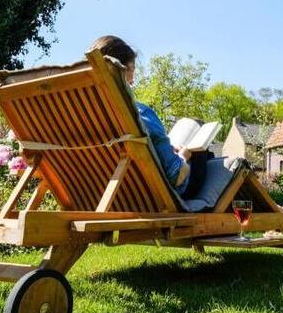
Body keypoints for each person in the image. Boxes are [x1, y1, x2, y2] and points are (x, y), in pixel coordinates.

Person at [89, 35, 209, 198]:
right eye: (132, 70)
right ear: (120, 71)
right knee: (202, 153)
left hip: (98, 193)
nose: (132, 81)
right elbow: (175, 177)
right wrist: (184, 155)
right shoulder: (139, 113)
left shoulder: (84, 114)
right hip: (148, 196)